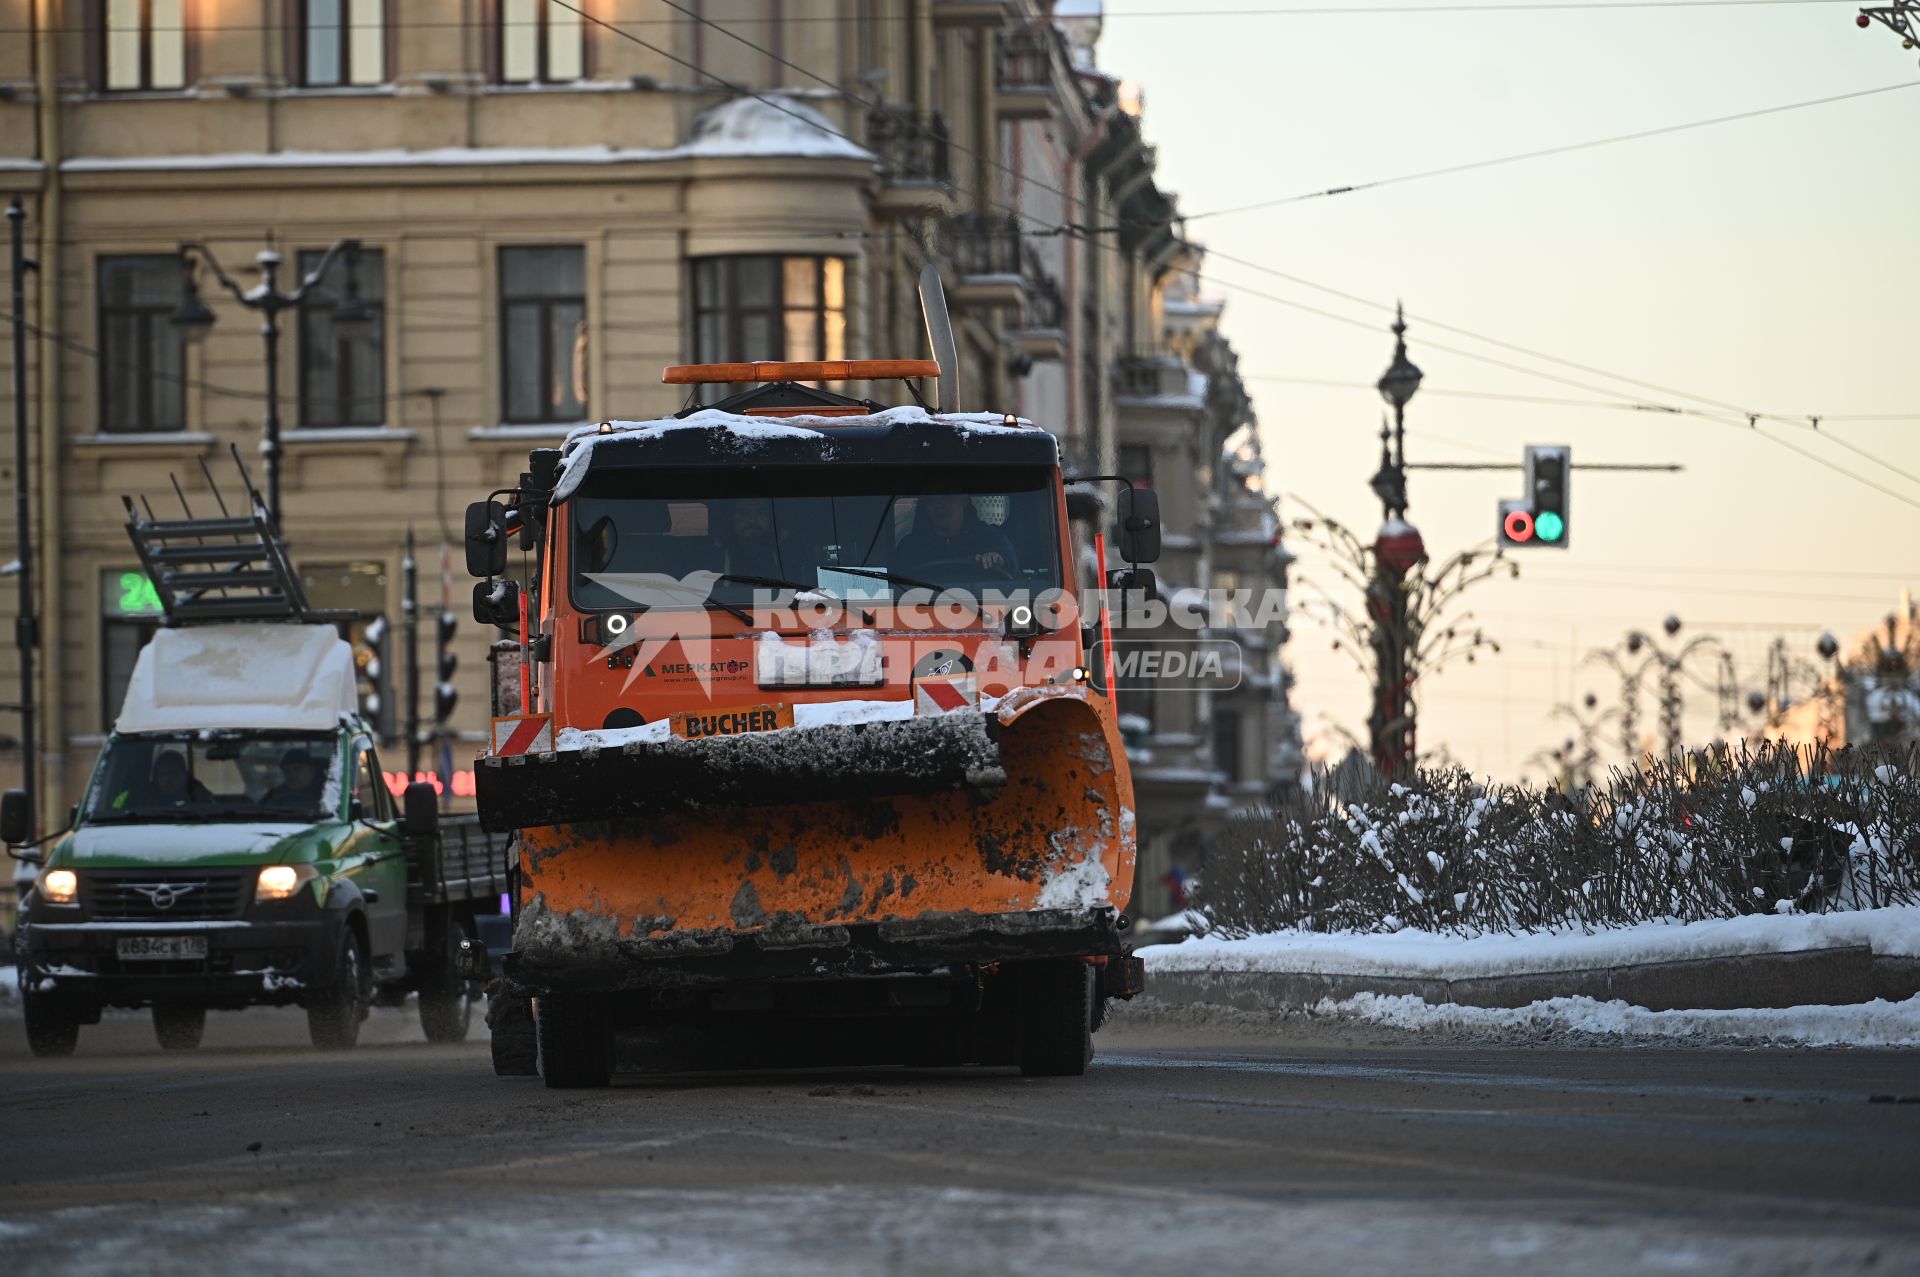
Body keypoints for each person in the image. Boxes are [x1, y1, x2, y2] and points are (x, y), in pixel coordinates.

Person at [896, 493, 1019, 579]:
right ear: (925, 508)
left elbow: (1011, 565)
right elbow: (893, 584)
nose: (940, 506)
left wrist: (998, 560)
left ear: (963, 501)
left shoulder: (991, 538)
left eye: (947, 498)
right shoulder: (910, 547)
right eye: (932, 501)